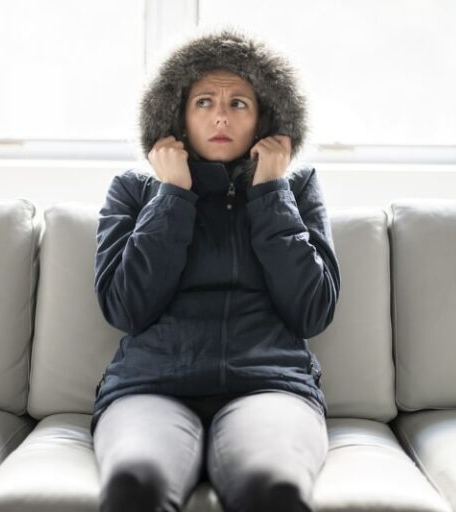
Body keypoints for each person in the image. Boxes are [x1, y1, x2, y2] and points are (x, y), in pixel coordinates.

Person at [91, 29, 341, 512]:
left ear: (266, 118)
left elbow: (312, 311)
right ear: (178, 117)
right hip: (151, 387)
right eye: (204, 101)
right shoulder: (134, 190)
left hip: (269, 385)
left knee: (274, 488)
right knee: (134, 486)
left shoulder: (298, 187)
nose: (221, 115)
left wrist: (269, 193)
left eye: (239, 103)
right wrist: (173, 197)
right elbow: (126, 307)